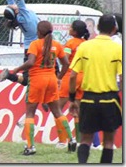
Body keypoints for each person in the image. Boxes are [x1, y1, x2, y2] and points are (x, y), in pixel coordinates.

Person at [11, 21, 76, 155]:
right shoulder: (56, 45)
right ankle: (71, 139)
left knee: (30, 113)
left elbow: (30, 62)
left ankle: (30, 147)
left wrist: (17, 68)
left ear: (39, 32)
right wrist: (59, 78)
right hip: (51, 79)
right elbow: (66, 63)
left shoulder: (35, 44)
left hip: (37, 80)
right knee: (57, 111)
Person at [69, 14, 122, 163]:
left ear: (97, 27)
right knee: (109, 141)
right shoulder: (118, 48)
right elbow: (122, 77)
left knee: (85, 139)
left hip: (88, 98)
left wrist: (72, 99)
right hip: (110, 99)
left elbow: (73, 76)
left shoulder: (85, 46)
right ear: (114, 29)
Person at [0, 0, 38, 86]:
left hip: (28, 48)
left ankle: (9, 75)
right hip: (37, 48)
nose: (11, 3)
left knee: (26, 80)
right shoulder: (23, 13)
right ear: (16, 11)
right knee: (50, 71)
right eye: (12, 6)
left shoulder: (17, 15)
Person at [57, 20, 90, 148]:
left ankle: (63, 140)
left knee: (57, 108)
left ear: (74, 31)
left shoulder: (70, 43)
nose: (68, 28)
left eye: (70, 27)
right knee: (78, 109)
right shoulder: (86, 43)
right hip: (84, 77)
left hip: (71, 75)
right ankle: (80, 139)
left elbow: (64, 58)